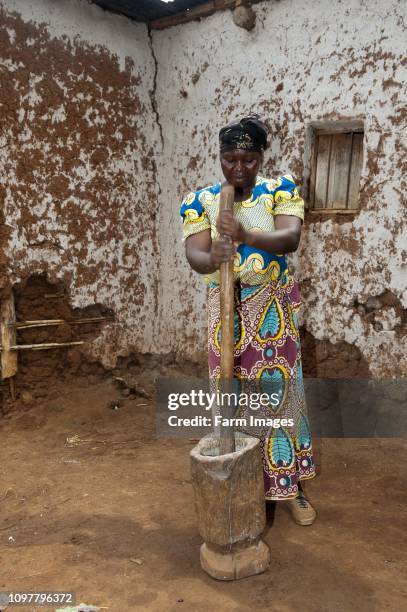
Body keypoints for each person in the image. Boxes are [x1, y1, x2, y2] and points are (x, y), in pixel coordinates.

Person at [180, 116, 316, 526]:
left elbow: (289, 238)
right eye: (229, 159)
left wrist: (243, 234)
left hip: (272, 310)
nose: (238, 169)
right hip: (226, 316)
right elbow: (195, 255)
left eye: (249, 160)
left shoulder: (281, 189)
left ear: (261, 158)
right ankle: (247, 488)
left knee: (279, 401)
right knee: (234, 403)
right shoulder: (199, 199)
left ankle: (290, 489)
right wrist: (211, 259)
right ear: (219, 158)